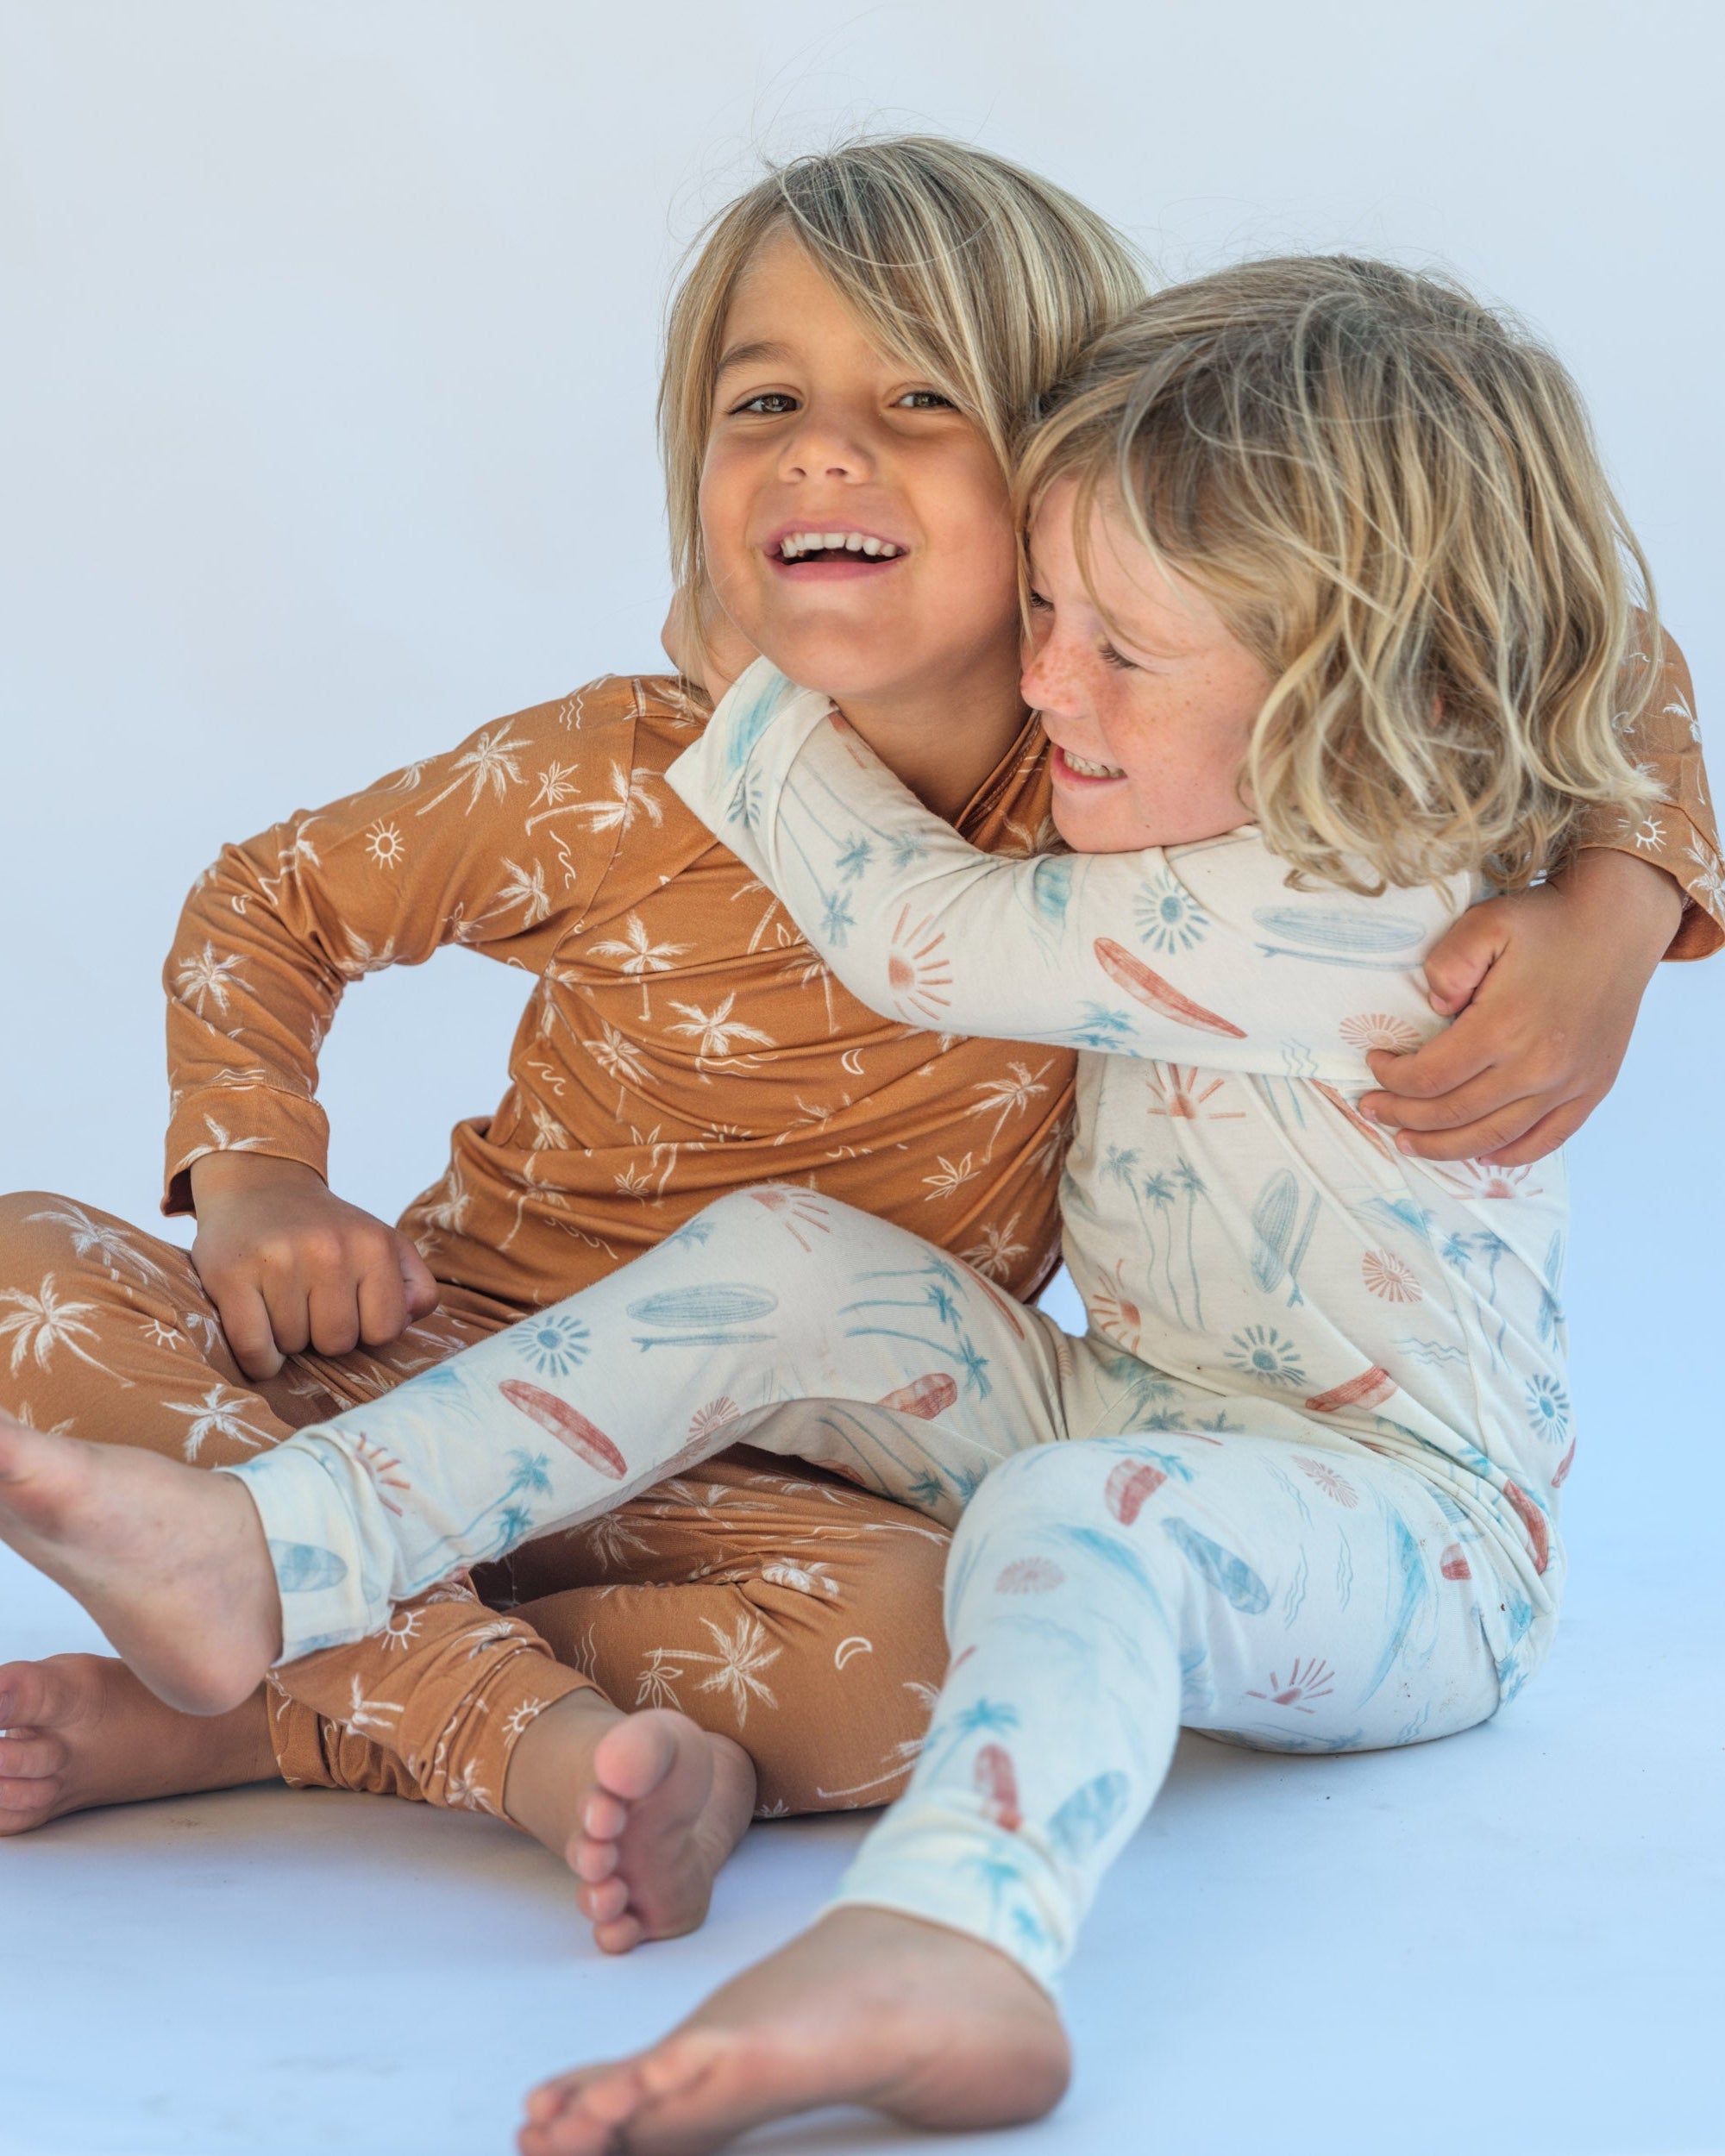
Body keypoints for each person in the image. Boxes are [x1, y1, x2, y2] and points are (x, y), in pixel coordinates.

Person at [0, 251, 1716, 2152]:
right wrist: (1632, 877)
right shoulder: (1118, 758)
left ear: (1367, 669)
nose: (1055, 680)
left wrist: (746, 700)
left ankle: (953, 1934)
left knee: (1056, 1531)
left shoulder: (1344, 903)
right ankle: (270, 1552)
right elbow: (1579, 628)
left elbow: (916, 928)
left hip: (1410, 1536)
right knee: (785, 1263)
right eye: (1051, 608)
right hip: (1071, 1394)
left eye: (1115, 648)